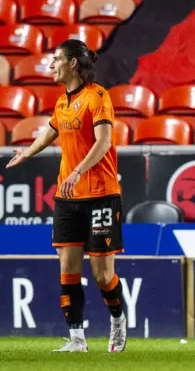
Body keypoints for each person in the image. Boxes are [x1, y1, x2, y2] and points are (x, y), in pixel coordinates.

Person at [6, 40, 126, 353]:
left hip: (100, 194)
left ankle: (117, 321)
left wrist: (77, 172)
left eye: (57, 59)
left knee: (103, 275)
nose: (51, 65)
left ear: (73, 63)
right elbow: (52, 130)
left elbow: (103, 143)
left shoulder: (98, 96)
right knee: (68, 268)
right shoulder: (62, 102)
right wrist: (27, 153)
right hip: (67, 198)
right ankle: (76, 340)